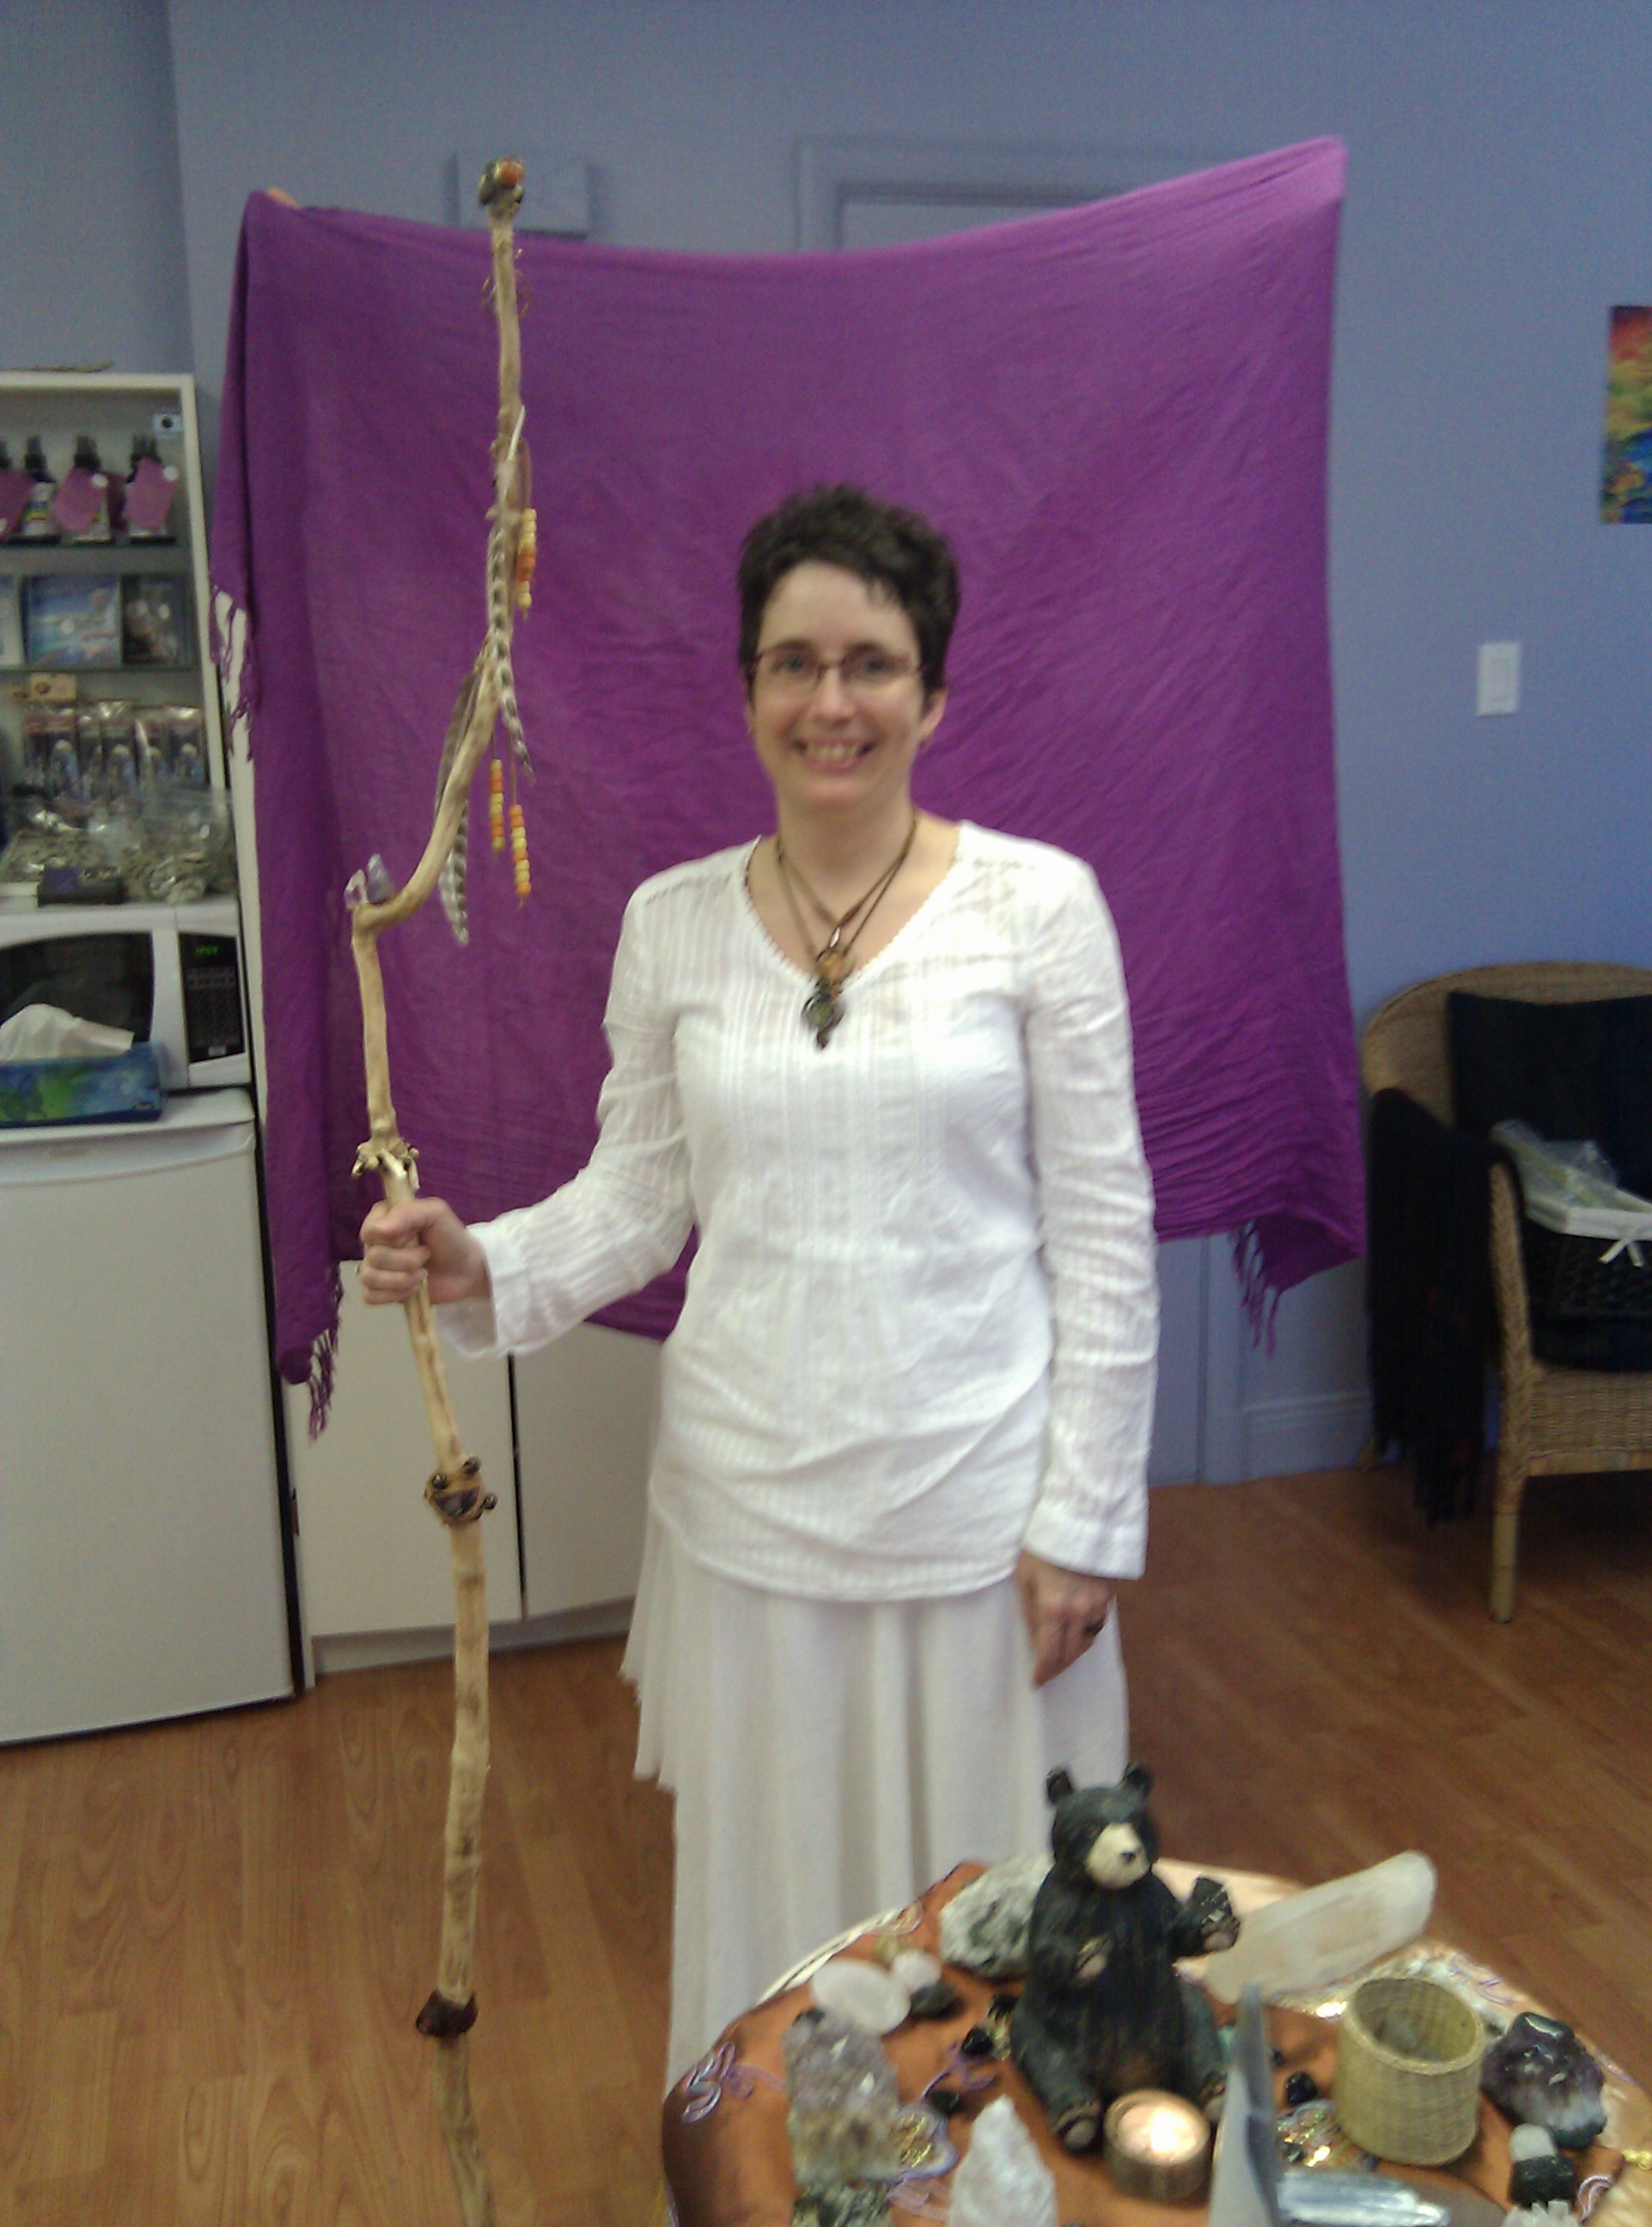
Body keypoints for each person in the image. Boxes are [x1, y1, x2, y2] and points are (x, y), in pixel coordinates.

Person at [360, 484, 1159, 2084]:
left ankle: (992, 2182)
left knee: (993, 1928)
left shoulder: (1038, 909)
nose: (831, 701)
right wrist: (481, 1263)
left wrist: (1085, 1517)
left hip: (977, 1515)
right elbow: (639, 1199)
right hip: (754, 1517)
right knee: (785, 1926)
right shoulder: (674, 926)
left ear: (934, 693)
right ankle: (781, 2175)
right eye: (794, 663)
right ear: (746, 693)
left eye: (872, 663)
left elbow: (1104, 1231)